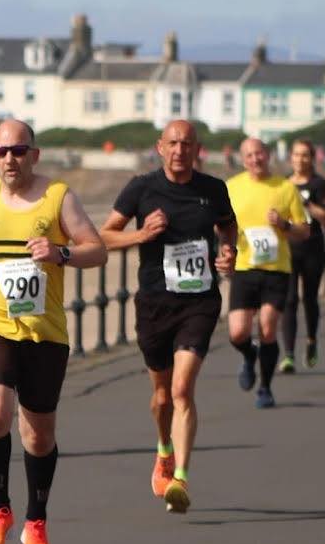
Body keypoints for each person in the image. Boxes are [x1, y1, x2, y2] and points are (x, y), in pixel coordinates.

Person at [0, 119, 106, 544]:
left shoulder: (58, 196)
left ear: (34, 154)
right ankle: (0, 510)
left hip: (44, 331)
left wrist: (61, 253)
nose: (9, 159)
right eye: (0, 152)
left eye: (18, 150)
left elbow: (97, 248)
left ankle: (36, 520)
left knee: (38, 435)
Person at [100, 120, 236, 513]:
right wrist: (140, 236)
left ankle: (181, 479)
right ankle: (164, 449)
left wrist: (228, 252)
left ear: (198, 150)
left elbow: (228, 228)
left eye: (187, 144)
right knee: (161, 398)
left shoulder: (213, 190)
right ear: (161, 148)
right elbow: (103, 235)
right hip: (155, 303)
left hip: (199, 301)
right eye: (173, 143)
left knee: (181, 390)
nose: (180, 150)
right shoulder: (141, 189)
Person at [225, 138, 309, 410]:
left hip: (276, 269)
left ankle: (265, 388)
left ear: (268, 155)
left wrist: (283, 224)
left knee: (268, 328)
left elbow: (304, 231)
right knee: (238, 332)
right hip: (243, 267)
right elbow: (220, 225)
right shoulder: (232, 186)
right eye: (249, 155)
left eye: (259, 153)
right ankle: (249, 356)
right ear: (242, 158)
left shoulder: (286, 188)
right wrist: (225, 239)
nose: (255, 159)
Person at [282, 139, 325, 370]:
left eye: (305, 155)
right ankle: (289, 354)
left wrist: (306, 203)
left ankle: (311, 339)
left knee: (309, 299)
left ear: (312, 158)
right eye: (296, 155)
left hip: (312, 247)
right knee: (289, 300)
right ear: (290, 157)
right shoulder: (283, 183)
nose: (300, 159)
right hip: (289, 249)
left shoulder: (319, 184)